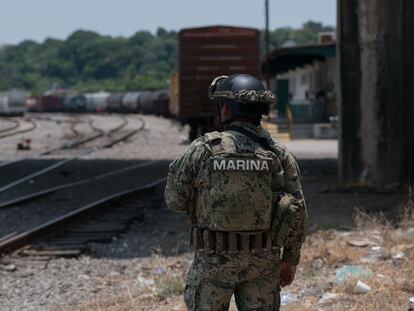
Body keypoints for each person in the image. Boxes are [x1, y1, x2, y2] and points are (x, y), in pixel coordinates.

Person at [164, 74, 307, 311]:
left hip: (214, 261)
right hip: (263, 261)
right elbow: (298, 209)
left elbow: (174, 201)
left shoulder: (203, 150)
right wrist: (290, 259)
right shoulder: (278, 154)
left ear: (226, 110)